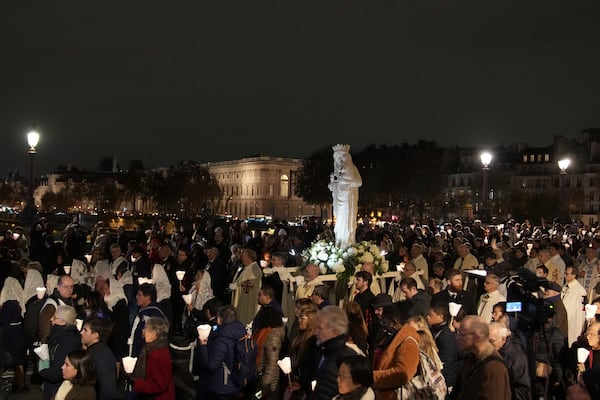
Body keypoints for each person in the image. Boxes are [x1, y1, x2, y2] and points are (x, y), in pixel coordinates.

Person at [448, 315, 510, 400]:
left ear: (476, 337)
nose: (457, 337)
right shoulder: (470, 358)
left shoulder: (494, 368)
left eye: (462, 334)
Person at [195, 305, 247, 400]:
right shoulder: (241, 332)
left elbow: (211, 366)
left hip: (221, 385)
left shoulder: (222, 339)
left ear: (220, 319)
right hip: (235, 381)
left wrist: (203, 345)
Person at [372, 302, 421, 400]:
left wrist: (373, 377)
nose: (382, 325)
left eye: (384, 322)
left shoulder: (408, 341)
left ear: (394, 322)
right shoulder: (391, 337)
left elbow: (404, 372)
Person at [313, 305, 359, 400]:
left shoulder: (336, 360)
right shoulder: (328, 352)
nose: (315, 332)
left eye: (320, 328)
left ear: (334, 332)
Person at [39, 305, 82, 400]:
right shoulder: (63, 335)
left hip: (57, 386)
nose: (51, 319)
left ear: (63, 321)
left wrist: (43, 371)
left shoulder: (66, 341)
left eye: (55, 318)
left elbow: (58, 371)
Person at [129, 317, 175, 400]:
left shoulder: (158, 354)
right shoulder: (152, 348)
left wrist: (136, 383)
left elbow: (159, 385)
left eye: (146, 329)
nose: (143, 332)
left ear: (154, 334)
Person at [328, 144, 362, 249]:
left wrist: (346, 181)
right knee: (339, 225)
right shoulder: (336, 173)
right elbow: (333, 186)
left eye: (342, 158)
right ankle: (339, 243)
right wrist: (332, 184)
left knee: (347, 223)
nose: (341, 161)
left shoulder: (353, 169)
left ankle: (347, 244)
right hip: (339, 201)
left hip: (348, 201)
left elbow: (359, 182)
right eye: (338, 158)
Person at [488, 321, 531, 400]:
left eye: (491, 341)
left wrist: (500, 393)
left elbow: (525, 392)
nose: (488, 345)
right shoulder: (488, 353)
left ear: (503, 339)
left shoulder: (518, 359)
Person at [80, 317, 117, 400]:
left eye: (85, 330)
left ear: (96, 335)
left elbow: (108, 392)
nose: (81, 332)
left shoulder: (102, 358)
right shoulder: (94, 352)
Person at [0, 276, 27, 392]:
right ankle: (21, 384)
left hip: (6, 331)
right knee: (18, 359)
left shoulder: (5, 303)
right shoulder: (17, 302)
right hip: (18, 332)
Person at [128, 283, 167, 357]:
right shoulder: (142, 311)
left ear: (148, 297)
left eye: (139, 295)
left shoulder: (155, 313)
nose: (136, 297)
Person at [287, 307, 319, 398]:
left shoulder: (313, 342)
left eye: (303, 318)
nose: (299, 321)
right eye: (299, 318)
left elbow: (311, 369)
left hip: (304, 388)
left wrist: (302, 384)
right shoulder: (298, 338)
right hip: (294, 381)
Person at [39, 275, 75, 344]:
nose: (69, 289)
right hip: (55, 343)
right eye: (65, 287)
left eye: (71, 287)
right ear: (58, 287)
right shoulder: (51, 304)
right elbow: (44, 329)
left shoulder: (68, 301)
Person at [231, 248, 262, 325]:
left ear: (249, 257)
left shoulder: (254, 269)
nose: (242, 258)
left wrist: (237, 287)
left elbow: (252, 285)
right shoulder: (246, 268)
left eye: (243, 256)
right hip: (243, 298)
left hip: (247, 299)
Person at [562, 265, 588, 347]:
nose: (564, 275)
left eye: (567, 274)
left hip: (572, 320)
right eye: (565, 273)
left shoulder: (579, 290)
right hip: (564, 319)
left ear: (574, 275)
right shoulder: (566, 286)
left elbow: (579, 311)